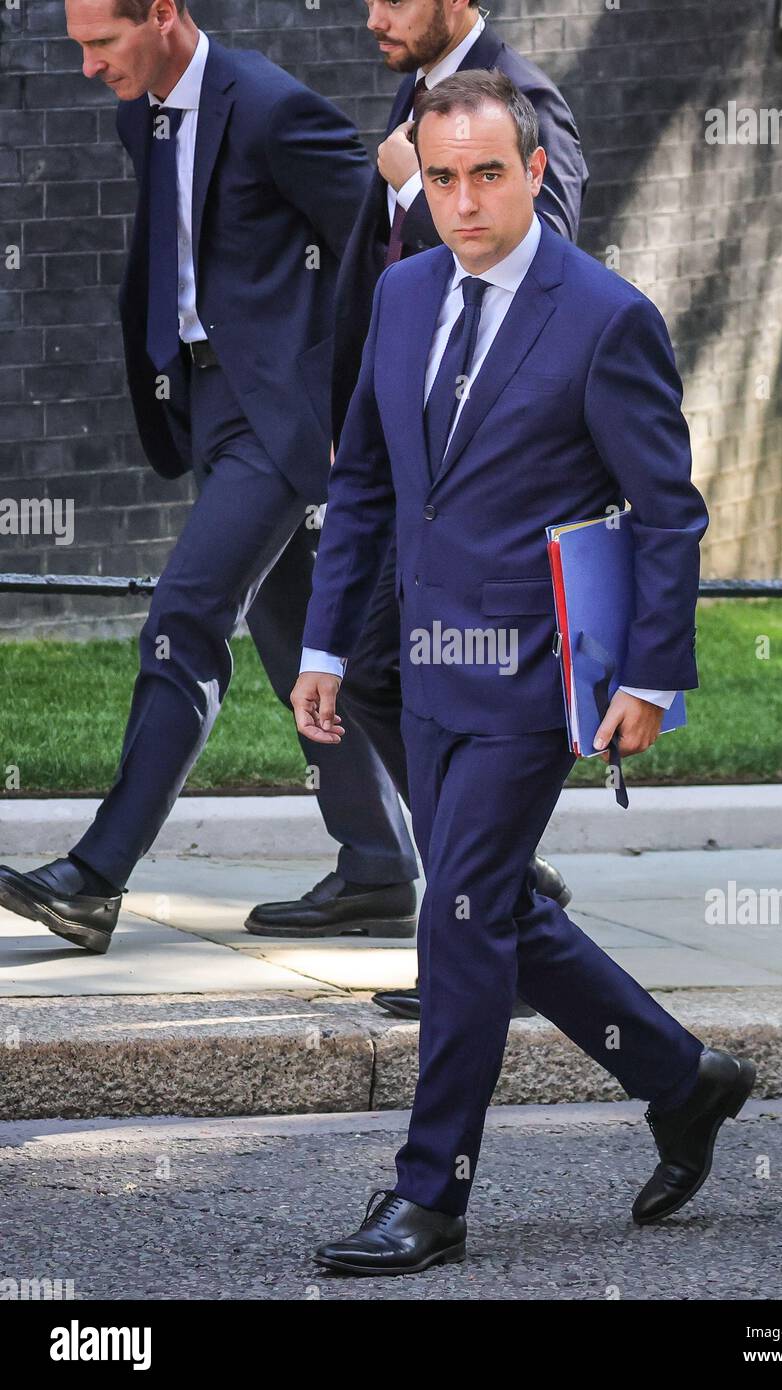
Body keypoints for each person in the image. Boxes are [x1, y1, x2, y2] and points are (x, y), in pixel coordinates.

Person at [291, 70, 757, 1276]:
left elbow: (666, 513)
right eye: (440, 178)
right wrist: (327, 643)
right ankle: (681, 1075)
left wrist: (651, 675)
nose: (462, 201)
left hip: (533, 680)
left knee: (454, 921)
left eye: (486, 173)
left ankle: (428, 1194)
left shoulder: (603, 316)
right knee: (489, 905)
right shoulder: (400, 297)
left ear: (534, 169)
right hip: (421, 667)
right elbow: (368, 488)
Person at [0, 0, 374, 954]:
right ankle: (381, 866)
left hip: (283, 422)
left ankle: (94, 876)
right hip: (208, 405)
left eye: (102, 43)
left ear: (162, 13)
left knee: (186, 616)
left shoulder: (275, 108)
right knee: (300, 643)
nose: (88, 67)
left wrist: (343, 409)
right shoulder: (143, 112)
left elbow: (380, 247)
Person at [248, 0, 585, 1025]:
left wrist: (408, 182)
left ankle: (486, 915)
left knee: (398, 677)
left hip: (486, 494)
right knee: (381, 671)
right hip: (406, 469)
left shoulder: (519, 103)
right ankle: (492, 904)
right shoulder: (417, 100)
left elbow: (552, 267)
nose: (371, 15)